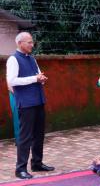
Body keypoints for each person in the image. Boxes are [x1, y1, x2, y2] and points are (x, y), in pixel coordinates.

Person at [6, 32, 54, 179]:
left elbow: (37, 76)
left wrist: (41, 79)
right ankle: (20, 169)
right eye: (29, 42)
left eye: (32, 42)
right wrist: (34, 78)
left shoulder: (32, 59)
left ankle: (37, 163)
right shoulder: (13, 59)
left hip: (38, 100)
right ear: (20, 43)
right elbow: (12, 81)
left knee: (39, 134)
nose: (32, 45)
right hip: (26, 103)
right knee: (25, 136)